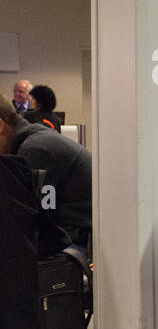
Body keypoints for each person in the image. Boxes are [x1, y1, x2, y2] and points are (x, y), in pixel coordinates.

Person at [0, 96, 92, 249]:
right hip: (78, 238)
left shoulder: (35, 150)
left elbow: (27, 221)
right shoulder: (31, 143)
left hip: (82, 244)